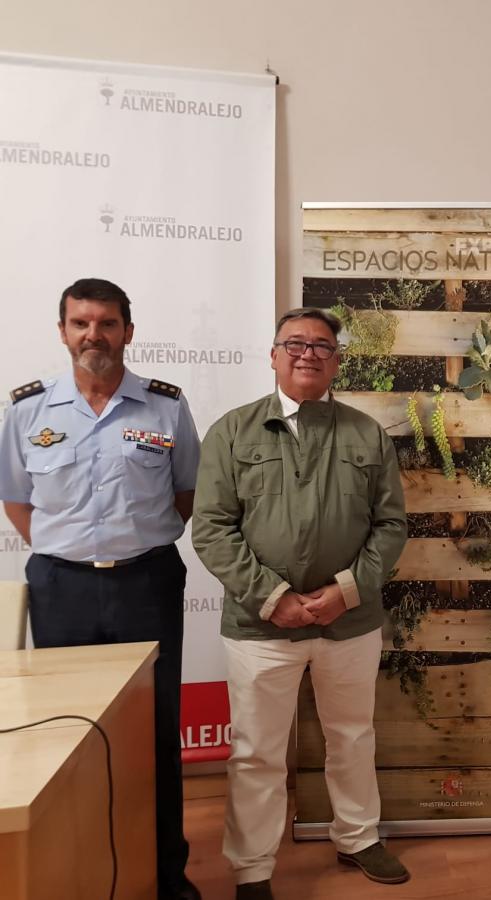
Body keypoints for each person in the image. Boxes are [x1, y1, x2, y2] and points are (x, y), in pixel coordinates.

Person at [191, 307, 409, 900]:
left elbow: (390, 526)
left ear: (336, 359)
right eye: (295, 343)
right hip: (261, 627)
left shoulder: (366, 433)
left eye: (321, 345)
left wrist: (347, 591)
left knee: (353, 736)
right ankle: (253, 869)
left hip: (351, 622)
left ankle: (358, 838)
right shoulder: (231, 432)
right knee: (257, 752)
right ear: (273, 354)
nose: (307, 353)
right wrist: (273, 597)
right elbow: (210, 528)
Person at [0, 277, 202, 899]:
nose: (95, 335)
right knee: (66, 735)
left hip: (147, 581)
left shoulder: (166, 406)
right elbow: (16, 500)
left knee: (156, 730)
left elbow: (186, 494)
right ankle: (77, 873)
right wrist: (73, 552)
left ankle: (168, 876)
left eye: (107, 323)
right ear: (62, 331)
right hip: (61, 588)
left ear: (128, 332)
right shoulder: (27, 411)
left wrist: (120, 546)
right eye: (82, 323)